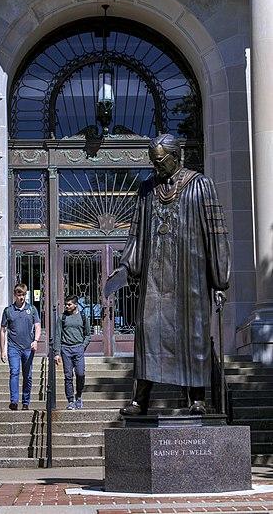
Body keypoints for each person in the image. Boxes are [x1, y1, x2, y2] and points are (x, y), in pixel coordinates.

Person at [108, 133, 230, 416]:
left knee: (193, 336)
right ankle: (140, 399)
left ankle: (196, 398)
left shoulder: (201, 186)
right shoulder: (147, 189)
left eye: (160, 161)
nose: (156, 167)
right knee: (148, 333)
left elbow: (216, 235)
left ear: (177, 157)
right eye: (153, 162)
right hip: (155, 279)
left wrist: (220, 280)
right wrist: (126, 265)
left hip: (192, 277)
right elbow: (136, 234)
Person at [0, 283, 41, 411]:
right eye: (19, 295)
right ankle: (14, 401)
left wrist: (36, 340)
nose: (21, 297)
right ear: (15, 295)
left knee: (27, 375)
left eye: (23, 294)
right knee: (15, 372)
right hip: (13, 347)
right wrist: (2, 351)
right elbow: (2, 331)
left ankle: (26, 401)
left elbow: (38, 326)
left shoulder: (32, 309)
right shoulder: (8, 310)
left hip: (28, 347)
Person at [54, 294, 91, 410]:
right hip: (66, 349)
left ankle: (79, 396)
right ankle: (70, 400)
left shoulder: (83, 317)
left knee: (80, 373)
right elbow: (57, 335)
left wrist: (82, 346)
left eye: (69, 304)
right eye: (66, 304)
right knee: (68, 376)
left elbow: (88, 335)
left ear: (75, 304)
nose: (67, 306)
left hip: (78, 349)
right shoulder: (62, 317)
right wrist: (57, 353)